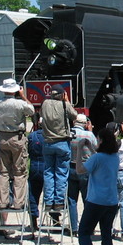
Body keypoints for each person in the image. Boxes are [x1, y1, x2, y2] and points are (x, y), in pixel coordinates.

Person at [76, 126, 120, 245]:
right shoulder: (115, 157)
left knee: (83, 232)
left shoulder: (97, 158)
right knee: (106, 235)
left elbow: (80, 170)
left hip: (96, 201)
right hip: (112, 201)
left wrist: (80, 150)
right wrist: (92, 148)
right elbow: (100, 159)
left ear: (101, 141)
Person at [0, 78, 35, 210]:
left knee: (3, 171)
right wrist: (23, 96)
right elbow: (32, 110)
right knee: (19, 170)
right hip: (17, 137)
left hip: (2, 136)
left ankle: (3, 201)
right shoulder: (19, 104)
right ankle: (18, 202)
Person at [40, 84, 78, 214]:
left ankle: (48, 202)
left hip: (48, 142)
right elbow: (75, 116)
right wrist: (66, 100)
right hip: (62, 142)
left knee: (49, 172)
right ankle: (59, 202)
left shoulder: (44, 103)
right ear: (62, 94)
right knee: (61, 172)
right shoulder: (64, 104)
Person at [67, 113, 96, 233]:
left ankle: (74, 227)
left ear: (74, 122)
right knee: (87, 199)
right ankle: (87, 226)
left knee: (72, 199)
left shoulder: (68, 134)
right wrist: (91, 131)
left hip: (71, 167)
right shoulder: (88, 135)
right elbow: (96, 148)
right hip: (85, 168)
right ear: (85, 123)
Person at [27, 114, 45, 232]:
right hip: (46, 166)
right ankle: (54, 219)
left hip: (34, 166)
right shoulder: (50, 136)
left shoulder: (31, 136)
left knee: (33, 194)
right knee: (50, 192)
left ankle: (33, 219)